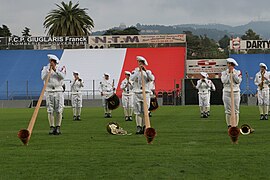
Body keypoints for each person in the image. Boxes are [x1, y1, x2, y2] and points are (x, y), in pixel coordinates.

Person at [41, 54, 66, 135]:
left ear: (56, 62)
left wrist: (55, 70)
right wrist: (48, 71)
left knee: (59, 110)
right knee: (50, 110)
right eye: (50, 61)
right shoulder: (45, 68)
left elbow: (62, 77)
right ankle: (52, 126)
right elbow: (43, 77)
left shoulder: (61, 68)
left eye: (53, 61)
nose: (51, 63)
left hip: (58, 91)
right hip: (49, 91)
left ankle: (58, 127)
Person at [130, 56, 155, 134]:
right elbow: (132, 78)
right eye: (139, 62)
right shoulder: (135, 71)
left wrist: (146, 71)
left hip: (146, 93)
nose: (140, 64)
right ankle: (139, 126)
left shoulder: (148, 72)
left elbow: (152, 79)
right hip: (137, 93)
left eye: (141, 63)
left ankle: (145, 126)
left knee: (145, 111)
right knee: (137, 111)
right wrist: (138, 71)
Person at [221, 58, 242, 128]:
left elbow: (238, 81)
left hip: (236, 92)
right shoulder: (223, 73)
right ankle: (229, 125)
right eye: (228, 64)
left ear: (233, 65)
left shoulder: (238, 72)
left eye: (231, 65)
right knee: (228, 110)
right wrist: (228, 74)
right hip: (227, 92)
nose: (229, 66)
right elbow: (224, 81)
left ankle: (235, 126)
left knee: (236, 110)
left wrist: (233, 74)